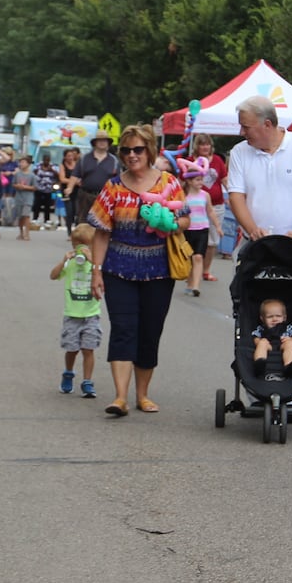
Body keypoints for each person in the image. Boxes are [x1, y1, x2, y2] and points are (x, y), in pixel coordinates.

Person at [87, 124, 189, 417]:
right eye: (127, 150)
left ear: (150, 151)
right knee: (122, 330)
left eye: (138, 149)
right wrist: (96, 272)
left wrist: (169, 222)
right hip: (118, 270)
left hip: (159, 271)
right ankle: (120, 397)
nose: (132, 155)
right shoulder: (113, 187)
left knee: (149, 333)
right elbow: (101, 232)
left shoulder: (169, 183)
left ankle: (142, 395)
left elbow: (185, 220)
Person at [226, 95, 292, 254]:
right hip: (255, 246)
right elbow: (236, 197)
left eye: (246, 127)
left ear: (267, 124)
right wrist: (253, 230)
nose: (241, 132)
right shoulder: (239, 152)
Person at [51, 223, 102, 398]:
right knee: (72, 349)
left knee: (89, 349)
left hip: (91, 314)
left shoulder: (96, 265)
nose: (83, 250)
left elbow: (105, 281)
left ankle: (87, 381)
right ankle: (68, 373)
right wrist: (64, 260)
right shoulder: (71, 264)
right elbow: (53, 275)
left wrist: (93, 260)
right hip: (72, 315)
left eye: (87, 246)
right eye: (78, 246)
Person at [189, 133, 227, 282]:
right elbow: (182, 181)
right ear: (197, 146)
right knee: (192, 239)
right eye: (202, 144)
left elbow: (224, 178)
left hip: (216, 205)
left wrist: (232, 195)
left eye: (207, 144)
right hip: (194, 205)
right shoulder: (191, 161)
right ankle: (192, 270)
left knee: (212, 241)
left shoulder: (217, 160)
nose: (205, 147)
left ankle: (205, 270)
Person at [73, 130, 119, 230]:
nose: (102, 142)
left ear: (108, 143)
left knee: (102, 222)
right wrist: (69, 188)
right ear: (95, 143)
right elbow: (75, 175)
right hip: (86, 195)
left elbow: (119, 180)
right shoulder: (84, 159)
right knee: (83, 223)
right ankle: (82, 244)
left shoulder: (114, 161)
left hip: (105, 196)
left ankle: (99, 244)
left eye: (105, 140)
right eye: (99, 140)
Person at [181, 166, 215, 297]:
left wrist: (217, 227)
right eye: (197, 180)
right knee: (189, 258)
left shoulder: (205, 195)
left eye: (202, 180)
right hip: (187, 229)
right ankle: (190, 283)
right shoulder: (183, 195)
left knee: (198, 257)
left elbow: (210, 211)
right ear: (189, 181)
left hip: (202, 229)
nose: (201, 182)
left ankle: (196, 286)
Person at [252, 298, 292, 376]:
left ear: (284, 317)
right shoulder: (262, 328)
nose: (274, 319)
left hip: (283, 344)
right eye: (270, 317)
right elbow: (255, 337)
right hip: (268, 345)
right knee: (262, 343)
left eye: (278, 316)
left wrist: (291, 340)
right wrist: (260, 342)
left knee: (290, 344)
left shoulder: (289, 328)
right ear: (262, 319)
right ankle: (259, 363)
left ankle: (288, 365)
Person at [9, 155, 38, 240]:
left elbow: (35, 187)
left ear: (28, 164)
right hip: (19, 197)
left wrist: (25, 187)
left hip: (28, 197)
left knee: (26, 215)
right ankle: (21, 232)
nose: (21, 164)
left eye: (23, 162)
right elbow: (13, 184)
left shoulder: (32, 175)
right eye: (20, 162)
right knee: (20, 216)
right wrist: (17, 186)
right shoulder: (17, 174)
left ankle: (27, 233)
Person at [58, 147, 82, 235]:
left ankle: (77, 230)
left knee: (77, 211)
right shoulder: (62, 166)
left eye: (72, 156)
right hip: (66, 191)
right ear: (65, 157)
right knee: (69, 211)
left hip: (77, 191)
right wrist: (74, 182)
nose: (70, 158)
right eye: (68, 156)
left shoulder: (77, 164)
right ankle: (69, 231)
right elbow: (62, 179)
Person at [32, 152, 59, 228]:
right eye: (45, 160)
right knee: (37, 204)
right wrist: (38, 170)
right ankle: (35, 218)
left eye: (48, 160)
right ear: (43, 160)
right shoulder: (38, 165)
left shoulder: (53, 166)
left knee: (47, 206)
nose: (46, 162)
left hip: (49, 189)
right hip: (39, 188)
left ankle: (47, 220)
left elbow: (58, 175)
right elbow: (33, 172)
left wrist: (52, 170)